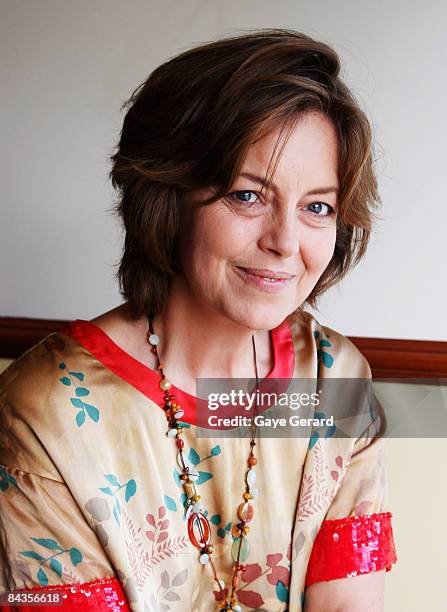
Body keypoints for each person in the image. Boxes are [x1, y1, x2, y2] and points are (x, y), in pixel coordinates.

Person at [0, 28, 397, 612]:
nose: (285, 241)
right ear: (169, 194)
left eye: (317, 206)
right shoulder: (46, 414)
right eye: (246, 195)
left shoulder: (332, 378)